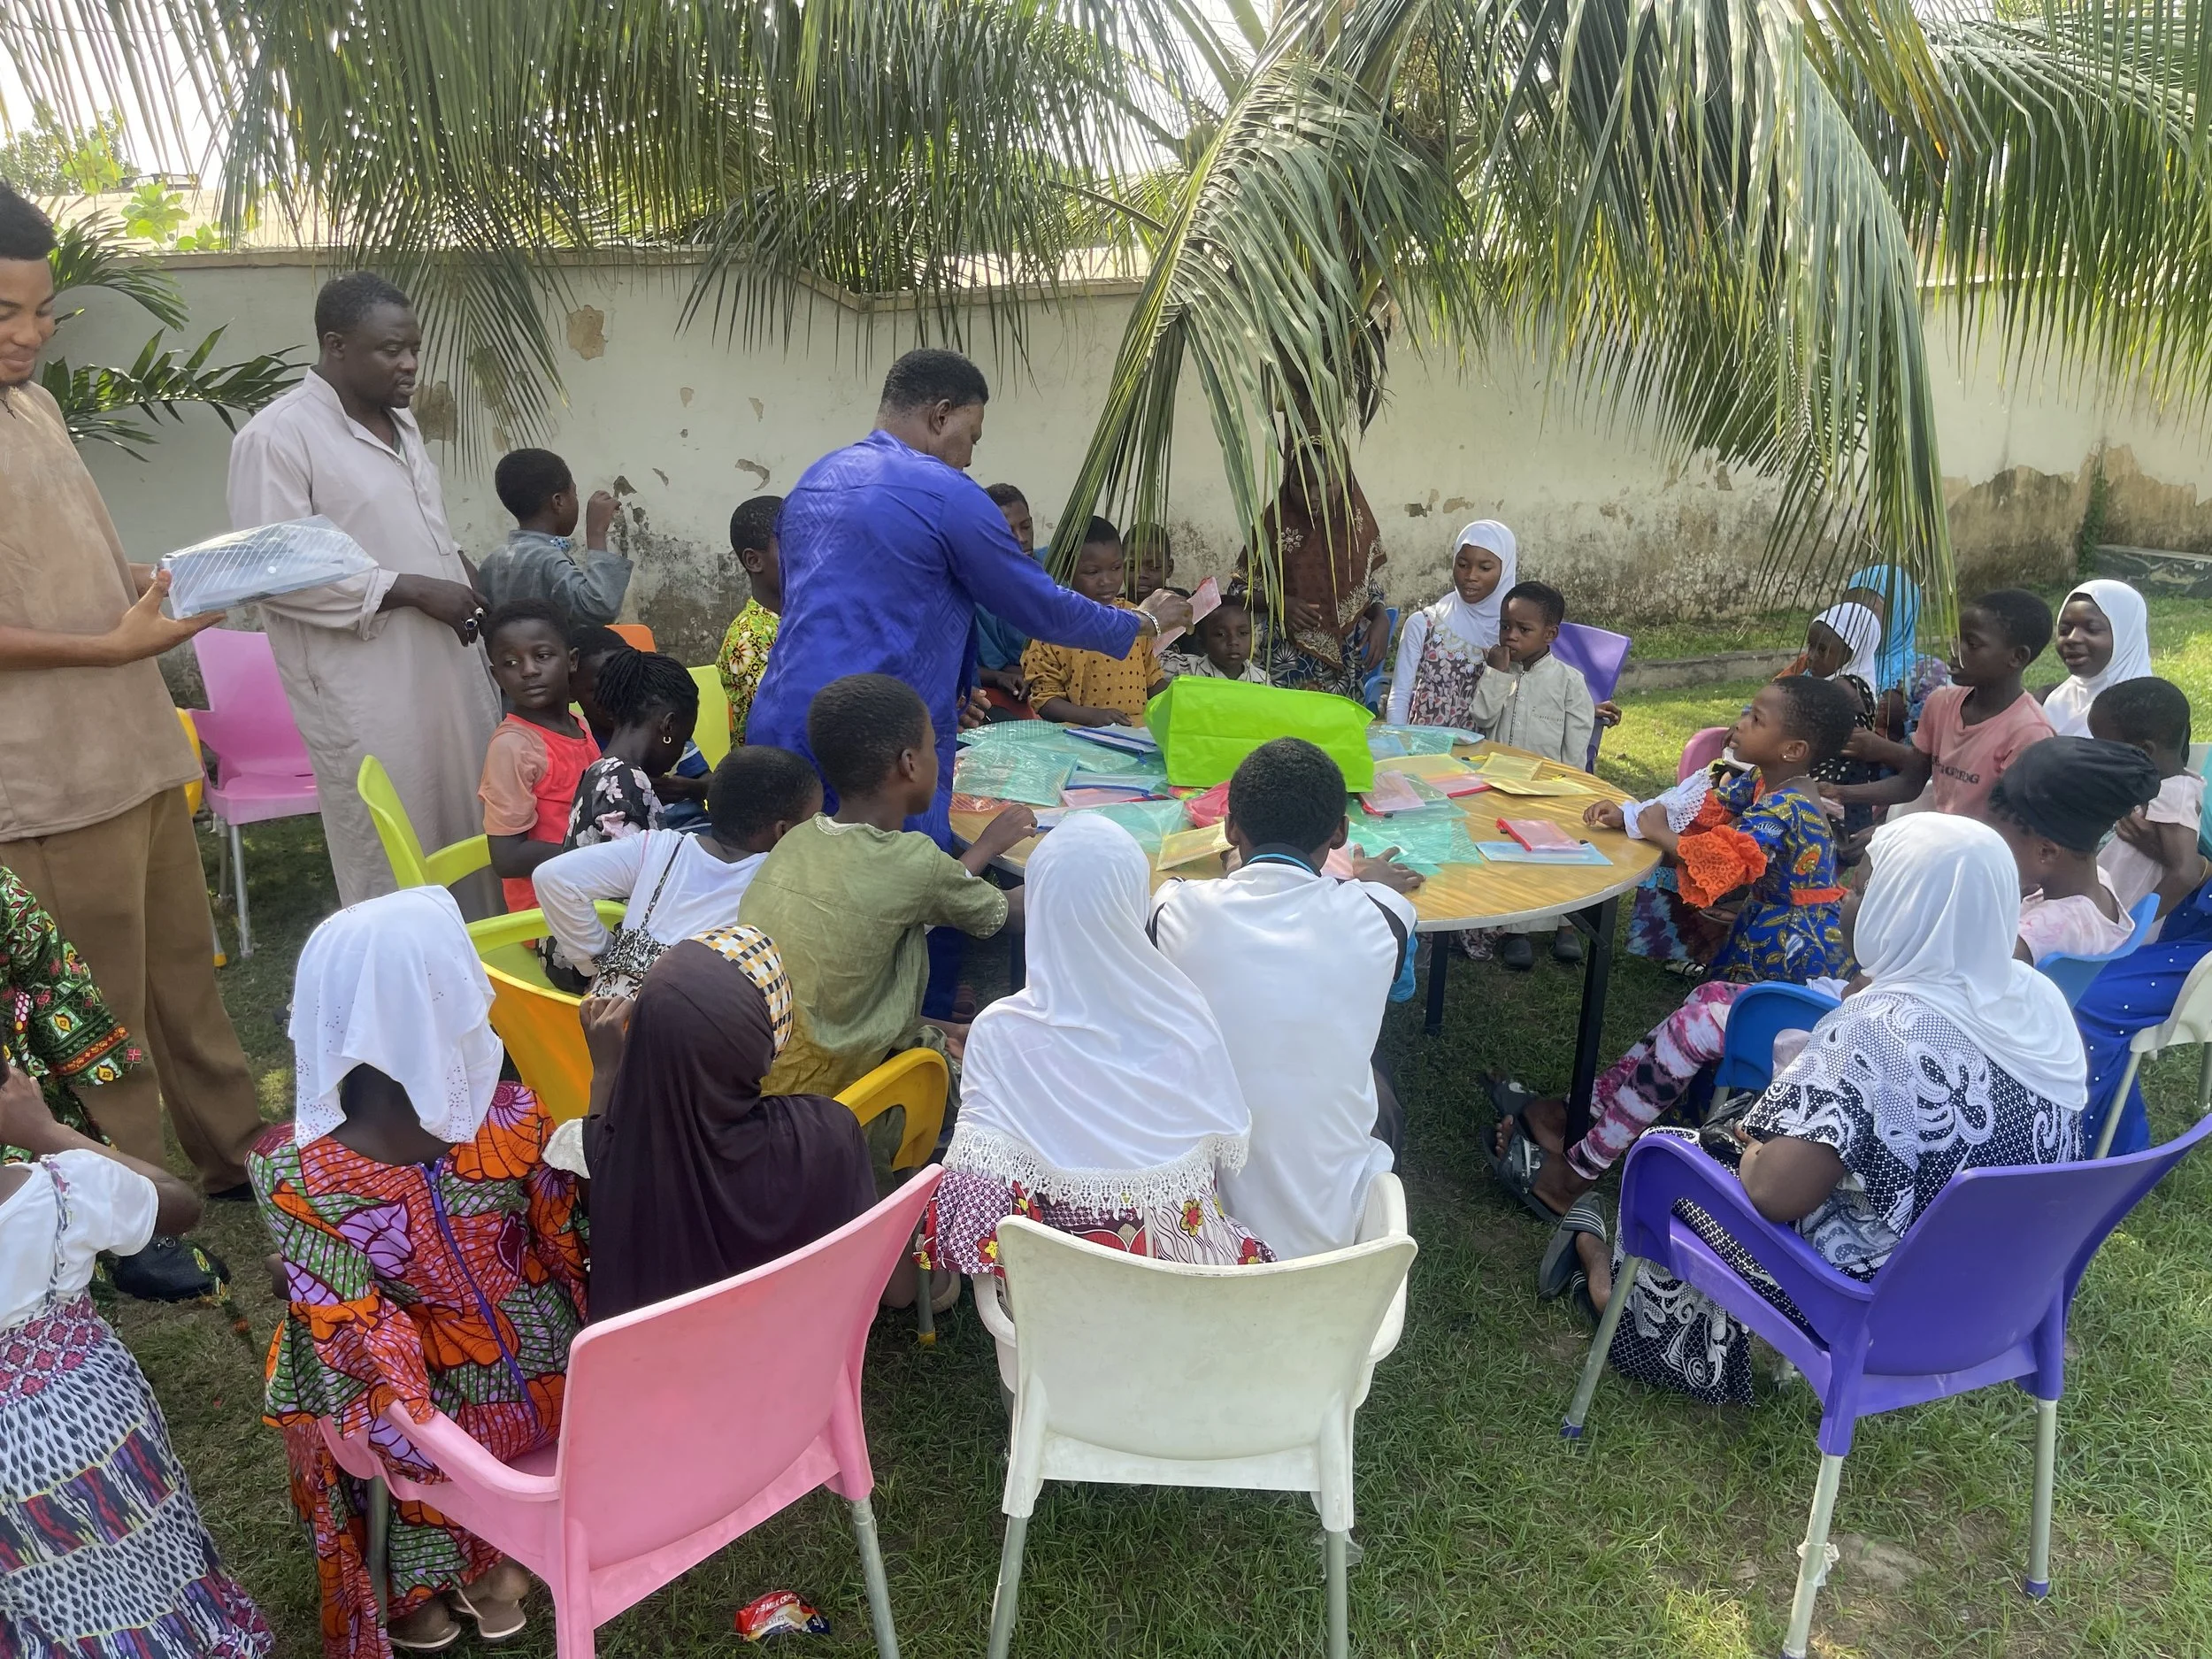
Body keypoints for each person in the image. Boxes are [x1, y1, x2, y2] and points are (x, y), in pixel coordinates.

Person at [1575, 815, 2085, 1402]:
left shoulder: (1882, 1026)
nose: (1845, 896)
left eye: (1866, 887)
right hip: (1992, 1299)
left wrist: (1751, 1146)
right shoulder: (2043, 1007)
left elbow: (1773, 1194)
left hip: (1874, 1304)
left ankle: (1605, 1276)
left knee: (1683, 1158)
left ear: (1907, 908)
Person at [0, 182, 265, 1280]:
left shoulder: (35, 406)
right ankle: (123, 1202)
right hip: (44, 778)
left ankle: (235, 1148)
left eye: (41, 310)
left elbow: (78, 561)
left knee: (181, 976)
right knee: (91, 1007)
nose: (28, 336)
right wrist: (105, 649)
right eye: (2, 316)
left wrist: (148, 589)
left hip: (136, 743)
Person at [253, 889, 588, 1657]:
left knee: (317, 1351)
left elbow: (358, 1348)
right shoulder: (514, 1115)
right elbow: (566, 1252)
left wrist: (297, 1276)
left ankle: (419, 1581)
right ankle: (499, 1565)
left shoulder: (291, 1169)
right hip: (562, 1389)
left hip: (434, 1432)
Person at [748, 349, 1187, 846]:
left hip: (783, 721)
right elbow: (1037, 603)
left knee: (786, 889)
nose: (971, 456)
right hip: (877, 745)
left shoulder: (815, 480)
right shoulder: (945, 492)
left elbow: (814, 604)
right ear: (940, 415)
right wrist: (1140, 623)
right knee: (901, 898)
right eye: (971, 436)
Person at [1491, 678, 1858, 1222]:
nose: (1740, 720)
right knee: (1694, 1019)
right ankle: (1574, 1113)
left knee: (1707, 1035)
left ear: (1794, 749)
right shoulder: (1759, 783)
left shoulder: (1790, 808)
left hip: (1793, 956)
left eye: (1756, 718)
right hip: (1769, 929)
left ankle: (1589, 1149)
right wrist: (1634, 817)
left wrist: (1658, 831)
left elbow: (1720, 858)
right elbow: (1696, 809)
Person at [227, 271, 502, 911]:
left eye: (414, 349)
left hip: (448, 667)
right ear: (335, 345)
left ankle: (484, 979)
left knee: (471, 813)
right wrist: (407, 589)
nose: (409, 365)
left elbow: (418, 524)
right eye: (390, 350)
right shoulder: (275, 438)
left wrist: (461, 572)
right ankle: (404, 989)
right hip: (364, 682)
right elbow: (272, 572)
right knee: (394, 834)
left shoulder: (401, 424)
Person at [0, 1064, 274, 1657]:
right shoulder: (62, 1188)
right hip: (88, 1424)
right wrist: (48, 1131)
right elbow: (176, 1204)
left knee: (32, 1589)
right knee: (146, 1548)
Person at [919, 813, 1271, 1276]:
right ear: (1134, 903)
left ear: (1039, 904)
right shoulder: (1185, 1018)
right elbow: (1212, 1176)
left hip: (1063, 1307)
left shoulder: (1001, 1033)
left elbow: (971, 1231)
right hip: (1197, 1289)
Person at [1148, 739, 1423, 1260]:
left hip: (1190, 1240)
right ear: (1340, 832)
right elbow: (1400, 990)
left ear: (1230, 829)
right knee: (1374, 1068)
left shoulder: (1174, 909)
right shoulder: (1385, 915)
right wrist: (1362, 882)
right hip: (1329, 1245)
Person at [557, 926, 878, 1323]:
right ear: (763, 1050)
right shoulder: (827, 1134)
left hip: (650, 1374)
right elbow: (866, 1278)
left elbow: (599, 1178)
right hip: (791, 1365)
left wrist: (606, 1073)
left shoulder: (602, 1156)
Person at [741, 674, 1034, 1097]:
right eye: (934, 746)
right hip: (846, 1104)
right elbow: (1015, 912)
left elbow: (839, 1008)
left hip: (768, 1078)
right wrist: (1069, 866)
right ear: (910, 764)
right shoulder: (911, 859)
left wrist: (947, 1027)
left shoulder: (797, 841)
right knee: (1016, 1076)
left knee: (956, 1036)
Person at [534, 745, 821, 995]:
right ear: (783, 831)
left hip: (605, 1020)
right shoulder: (778, 883)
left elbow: (553, 878)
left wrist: (598, 959)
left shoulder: (657, 847)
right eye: (811, 823)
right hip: (687, 1040)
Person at [1826, 588, 2055, 824]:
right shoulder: (1941, 702)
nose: (1955, 649)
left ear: (2017, 657)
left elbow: (2013, 825)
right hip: (1942, 836)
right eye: (1957, 638)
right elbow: (1911, 782)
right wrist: (1840, 793)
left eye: (1972, 644)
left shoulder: (2029, 733)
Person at [1988, 736, 2160, 964]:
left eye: (2001, 843)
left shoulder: (2037, 935)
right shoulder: (2099, 880)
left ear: (2046, 852)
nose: (1995, 851)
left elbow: (1981, 969)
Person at [476, 599, 601, 912]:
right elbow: (507, 859)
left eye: (542, 656)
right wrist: (597, 855)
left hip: (591, 887)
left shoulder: (578, 724)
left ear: (571, 661)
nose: (529, 671)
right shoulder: (513, 747)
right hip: (552, 914)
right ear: (496, 676)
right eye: (511, 663)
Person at [1248, 442, 1391, 697]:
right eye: (1300, 484)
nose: (1313, 495)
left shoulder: (1356, 529)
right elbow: (1240, 590)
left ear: (1344, 481)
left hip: (1345, 663)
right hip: (1284, 660)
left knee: (1334, 731)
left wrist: (1380, 619)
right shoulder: (1272, 527)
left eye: (1326, 485)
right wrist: (1281, 604)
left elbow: (1368, 587)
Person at [2088, 678, 2208, 939]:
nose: (2099, 754)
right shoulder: (2150, 784)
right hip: (2101, 914)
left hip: (2118, 928)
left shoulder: (2174, 792)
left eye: (2104, 746)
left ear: (2143, 750)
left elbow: (2185, 873)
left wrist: (2133, 926)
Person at [1023, 517, 1168, 724]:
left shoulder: (1134, 617)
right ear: (1067, 571)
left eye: (1116, 568)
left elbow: (1153, 678)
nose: (1107, 581)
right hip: (1081, 739)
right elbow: (1045, 700)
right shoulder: (1053, 627)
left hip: (1138, 735)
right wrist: (1092, 717)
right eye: (1093, 572)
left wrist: (1179, 700)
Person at [571, 629, 712, 830]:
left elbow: (709, 780)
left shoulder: (665, 728)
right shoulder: (606, 770)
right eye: (599, 688)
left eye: (626, 683)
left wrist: (688, 788)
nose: (616, 694)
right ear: (570, 691)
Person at [473, 447, 628, 630]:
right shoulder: (547, 559)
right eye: (574, 494)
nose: (576, 500)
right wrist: (596, 534)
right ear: (558, 502)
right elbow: (600, 607)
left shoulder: (492, 563)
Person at [1386, 519, 1515, 726]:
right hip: (1425, 752)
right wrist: (1396, 746)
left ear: (1506, 569)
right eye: (1462, 565)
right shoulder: (1425, 625)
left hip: (1484, 754)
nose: (1471, 576)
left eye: (1485, 568)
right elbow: (1399, 695)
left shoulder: (1512, 635)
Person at [1796, 600, 1882, 833]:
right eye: (1810, 647)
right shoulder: (1854, 683)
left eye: (1822, 649)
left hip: (1833, 801)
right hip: (1837, 798)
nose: (1811, 657)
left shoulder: (1842, 689)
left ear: (1853, 652)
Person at [1841, 563, 1948, 739]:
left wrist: (1880, 750)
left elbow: (1935, 745)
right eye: (1847, 608)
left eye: (1868, 609)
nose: (1854, 619)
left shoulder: (1928, 673)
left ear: (1900, 612)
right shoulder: (1827, 658)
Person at [2044, 579, 2154, 739]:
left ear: (2126, 636)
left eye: (2092, 629)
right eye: (2064, 630)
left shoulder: (2147, 714)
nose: (2072, 639)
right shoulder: (2054, 701)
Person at [716, 493, 784, 742]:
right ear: (754, 561)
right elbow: (781, 722)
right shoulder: (749, 638)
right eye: (792, 546)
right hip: (770, 772)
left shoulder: (805, 617)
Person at [972, 482, 1041, 711]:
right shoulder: (979, 589)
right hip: (1014, 689)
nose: (1022, 539)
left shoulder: (1053, 570)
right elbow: (991, 665)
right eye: (1008, 531)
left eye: (1026, 526)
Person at [1161, 588, 1270, 683]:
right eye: (1220, 634)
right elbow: (1147, 656)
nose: (1233, 641)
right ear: (1202, 643)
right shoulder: (1182, 670)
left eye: (1243, 633)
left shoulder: (1262, 681)